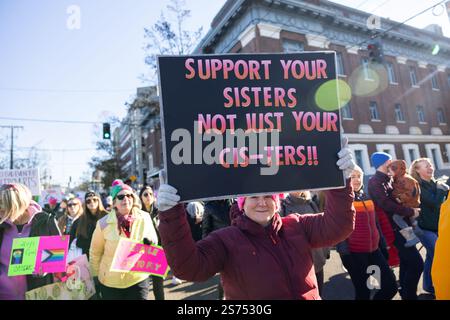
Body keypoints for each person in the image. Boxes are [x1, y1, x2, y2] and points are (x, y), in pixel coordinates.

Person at [155, 143, 356, 300]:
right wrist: (170, 213)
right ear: (242, 203)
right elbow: (188, 268)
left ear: (277, 201)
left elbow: (339, 226)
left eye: (268, 196)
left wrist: (341, 181)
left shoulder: (297, 225)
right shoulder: (225, 240)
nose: (261, 202)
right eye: (253, 197)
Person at [368, 152, 424, 300]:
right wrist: (410, 211)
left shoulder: (389, 179)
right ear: (383, 163)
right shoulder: (375, 182)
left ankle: (407, 293)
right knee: (417, 263)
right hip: (393, 229)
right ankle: (409, 295)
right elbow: (386, 205)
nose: (392, 163)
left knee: (406, 261)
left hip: (402, 226)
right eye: (389, 160)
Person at [90, 180, 158, 300]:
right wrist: (95, 278)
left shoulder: (145, 217)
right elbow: (95, 253)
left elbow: (154, 241)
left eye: (129, 195)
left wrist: (151, 241)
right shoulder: (102, 224)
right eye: (121, 196)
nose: (126, 199)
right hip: (110, 283)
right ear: (114, 202)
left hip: (138, 279)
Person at [337, 165, 397, 300]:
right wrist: (346, 256)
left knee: (390, 287)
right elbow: (339, 233)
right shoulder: (341, 201)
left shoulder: (366, 196)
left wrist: (383, 246)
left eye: (359, 176)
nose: (357, 180)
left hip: (375, 251)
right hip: (354, 254)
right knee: (363, 292)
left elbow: (376, 225)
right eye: (352, 177)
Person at [0, 183, 60, 300]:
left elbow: (57, 257)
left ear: (18, 203)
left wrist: (46, 268)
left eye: (2, 203)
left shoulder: (46, 221)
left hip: (37, 293)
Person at [409, 158, 449, 296]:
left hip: (439, 227)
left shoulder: (437, 184)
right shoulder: (417, 186)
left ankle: (428, 285)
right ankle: (438, 286)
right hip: (424, 228)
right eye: (426, 166)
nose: (430, 167)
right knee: (438, 255)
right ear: (417, 170)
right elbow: (434, 202)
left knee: (432, 257)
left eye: (430, 165)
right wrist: (441, 190)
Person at [280, 190, 330, 297]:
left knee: (317, 295)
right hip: (297, 270)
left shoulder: (312, 203)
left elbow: (321, 228)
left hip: (317, 265)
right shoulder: (283, 206)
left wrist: (325, 253)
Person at [202, 199, 233, 300]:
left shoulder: (234, 203)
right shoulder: (209, 207)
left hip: (236, 243)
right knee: (225, 276)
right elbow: (206, 229)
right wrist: (206, 249)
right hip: (220, 245)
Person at [139, 185, 165, 301]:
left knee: (158, 285)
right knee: (143, 285)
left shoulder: (160, 211)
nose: (149, 196)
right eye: (145, 194)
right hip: (143, 252)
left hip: (159, 250)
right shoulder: (138, 214)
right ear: (141, 197)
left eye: (151, 194)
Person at [74, 191, 108, 258]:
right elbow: (77, 242)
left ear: (99, 201)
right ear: (85, 204)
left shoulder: (108, 216)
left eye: (94, 200)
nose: (92, 202)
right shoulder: (80, 220)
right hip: (88, 256)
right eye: (88, 201)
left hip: (104, 255)